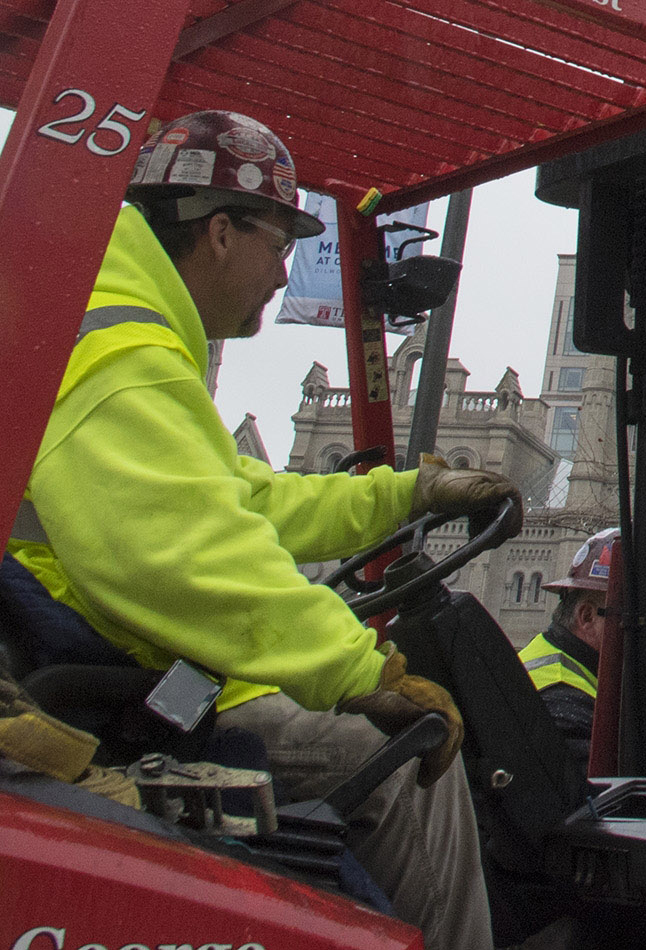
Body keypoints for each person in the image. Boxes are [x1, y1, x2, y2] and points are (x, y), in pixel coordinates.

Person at [7, 110, 513, 950]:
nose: (283, 273)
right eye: (278, 243)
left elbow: (246, 500)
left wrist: (411, 494)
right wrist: (358, 670)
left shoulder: (117, 327)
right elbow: (185, 551)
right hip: (103, 682)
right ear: (216, 232)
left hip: (106, 662)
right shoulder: (117, 352)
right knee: (411, 770)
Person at [518, 526, 615, 786]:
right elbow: (598, 809)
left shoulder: (549, 654)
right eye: (630, 617)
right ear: (587, 616)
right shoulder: (562, 704)